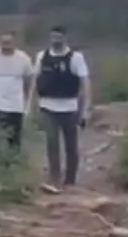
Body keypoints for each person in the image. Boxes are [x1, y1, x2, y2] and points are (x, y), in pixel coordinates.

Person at [31, 25, 92, 194]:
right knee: (52, 143)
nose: (55, 40)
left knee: (71, 145)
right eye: (53, 37)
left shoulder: (75, 57)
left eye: (59, 37)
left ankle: (70, 179)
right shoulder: (41, 56)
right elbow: (35, 82)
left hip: (70, 107)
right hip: (47, 106)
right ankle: (54, 179)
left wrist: (86, 108)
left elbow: (85, 83)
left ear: (65, 38)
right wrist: (32, 105)